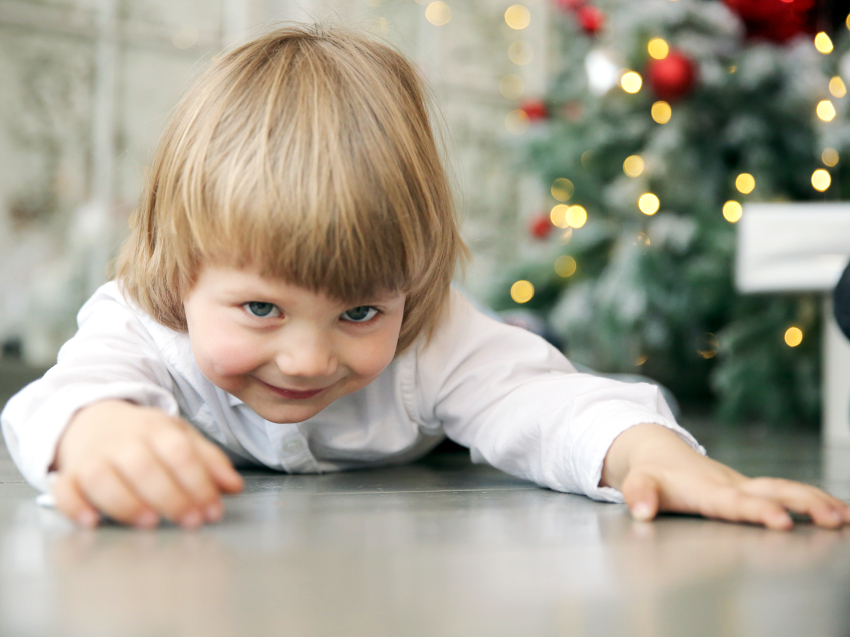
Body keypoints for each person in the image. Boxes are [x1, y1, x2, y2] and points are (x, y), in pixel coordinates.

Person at [2, 25, 848, 532]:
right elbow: (56, 397)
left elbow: (551, 405)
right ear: (181, 270)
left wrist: (657, 459)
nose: (305, 358)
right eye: (261, 308)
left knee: (516, 369)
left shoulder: (431, 331)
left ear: (412, 282)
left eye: (359, 309)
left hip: (471, 392)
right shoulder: (140, 325)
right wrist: (97, 429)